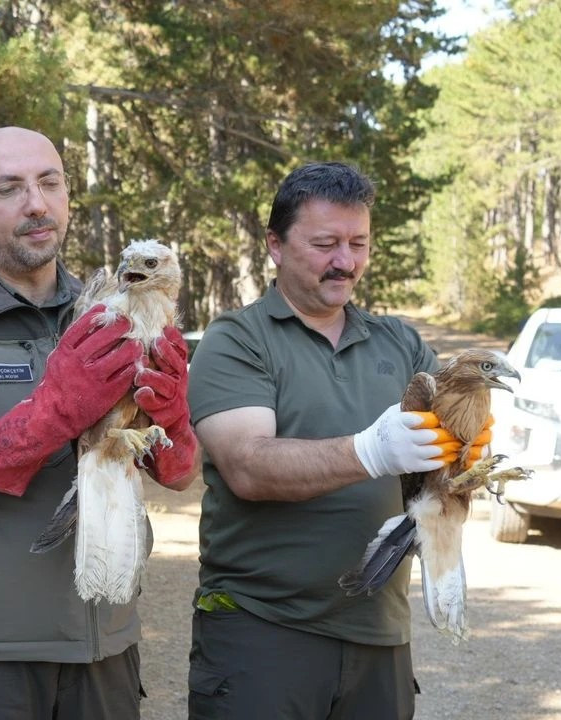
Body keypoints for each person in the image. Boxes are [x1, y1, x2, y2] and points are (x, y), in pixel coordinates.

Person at [0, 126, 199, 719]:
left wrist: (172, 423)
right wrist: (51, 414)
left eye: (50, 183)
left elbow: (178, 475)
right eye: (9, 189)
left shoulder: (112, 312)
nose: (36, 203)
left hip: (106, 645)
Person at [185, 162, 486, 719]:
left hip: (379, 630)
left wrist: (468, 455)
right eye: (325, 244)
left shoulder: (401, 344)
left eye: (358, 243)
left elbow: (446, 468)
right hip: (260, 630)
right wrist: (371, 450)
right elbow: (247, 466)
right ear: (275, 245)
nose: (345, 261)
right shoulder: (237, 339)